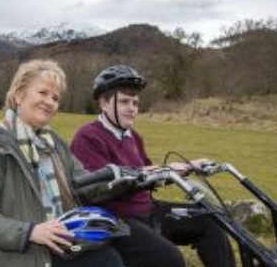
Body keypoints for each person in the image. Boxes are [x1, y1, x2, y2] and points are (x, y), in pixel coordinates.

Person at [0, 59, 128, 267]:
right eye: (43, 93)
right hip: (20, 254)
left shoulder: (53, 143)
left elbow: (84, 183)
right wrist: (31, 231)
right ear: (19, 95)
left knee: (111, 255)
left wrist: (126, 178)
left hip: (60, 246)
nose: (50, 102)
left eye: (55, 97)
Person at [71, 65, 236, 267]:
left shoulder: (134, 137)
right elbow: (92, 190)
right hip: (118, 219)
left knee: (210, 221)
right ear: (104, 103)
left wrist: (186, 167)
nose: (132, 108)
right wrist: (139, 175)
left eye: (135, 102)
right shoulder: (88, 137)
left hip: (149, 210)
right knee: (169, 258)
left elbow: (151, 174)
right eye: (124, 102)